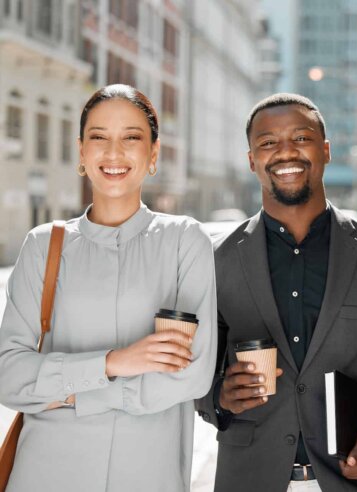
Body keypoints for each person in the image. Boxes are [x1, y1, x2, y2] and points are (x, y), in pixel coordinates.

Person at [195, 93, 357, 492]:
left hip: (350, 478)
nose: (285, 152)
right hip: (248, 478)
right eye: (268, 143)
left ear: (326, 150)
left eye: (301, 138)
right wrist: (218, 396)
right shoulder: (215, 262)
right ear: (252, 160)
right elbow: (194, 371)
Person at [0, 84, 217, 492]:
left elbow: (192, 376)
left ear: (153, 155)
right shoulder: (43, 246)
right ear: (81, 152)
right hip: (45, 475)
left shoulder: (184, 242)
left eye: (131, 138)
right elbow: (9, 377)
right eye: (98, 137)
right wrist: (114, 363)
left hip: (147, 476)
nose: (113, 154)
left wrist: (73, 393)